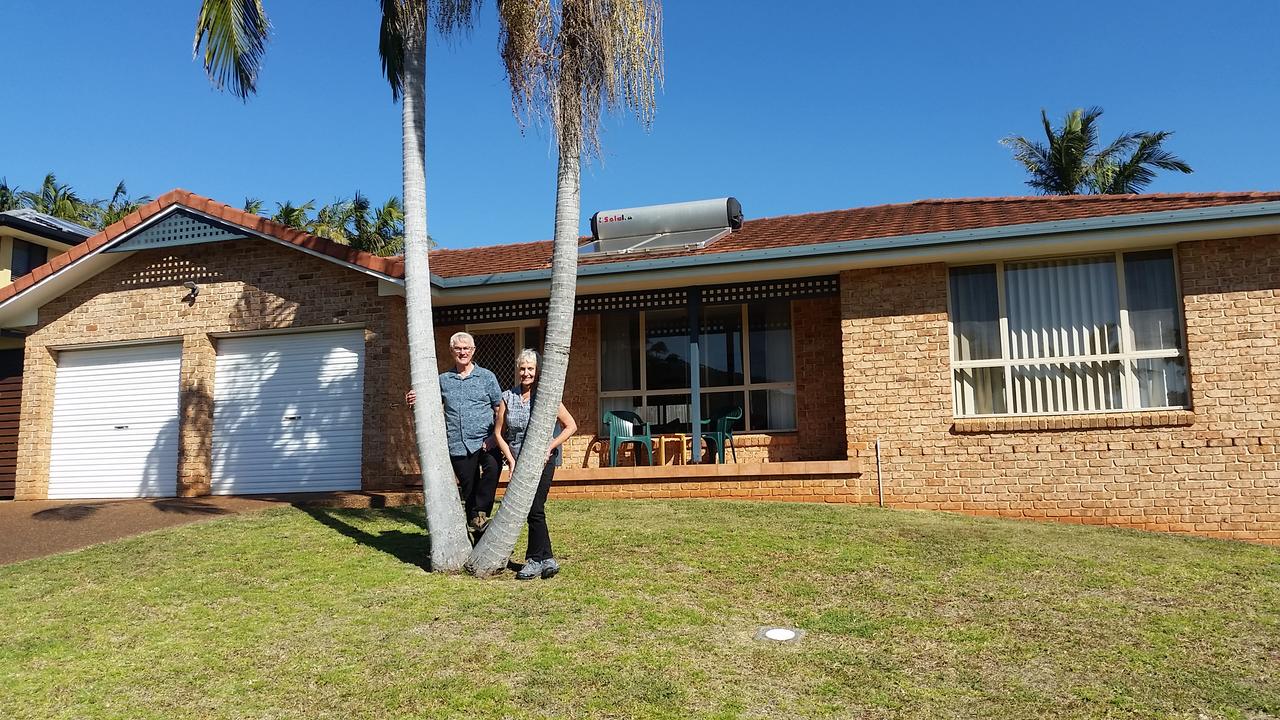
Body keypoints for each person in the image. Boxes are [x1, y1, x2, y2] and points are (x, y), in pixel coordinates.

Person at [405, 331, 503, 535]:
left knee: (492, 470)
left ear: (473, 351)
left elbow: (499, 408)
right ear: (451, 351)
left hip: (487, 440)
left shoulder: (487, 377)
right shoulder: (443, 380)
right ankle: (477, 532)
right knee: (469, 489)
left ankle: (481, 512)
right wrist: (414, 397)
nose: (462, 352)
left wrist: (496, 436)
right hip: (458, 443)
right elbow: (428, 400)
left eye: (466, 348)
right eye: (458, 348)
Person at [494, 349, 577, 580]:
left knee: (535, 507)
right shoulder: (507, 397)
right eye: (523, 368)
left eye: (530, 369)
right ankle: (547, 559)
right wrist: (510, 460)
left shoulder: (545, 396)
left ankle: (533, 559)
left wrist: (550, 446)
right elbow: (498, 433)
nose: (526, 373)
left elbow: (571, 425)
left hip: (543, 461)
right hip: (518, 460)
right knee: (532, 509)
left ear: (537, 371)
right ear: (517, 370)